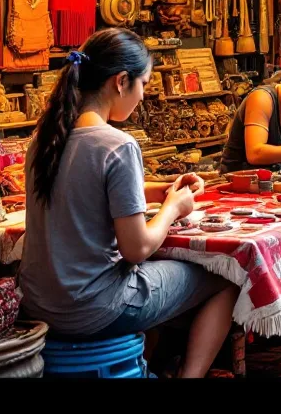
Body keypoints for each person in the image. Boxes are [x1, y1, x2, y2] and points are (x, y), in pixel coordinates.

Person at [19, 29, 238, 378]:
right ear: (120, 82)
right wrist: (173, 208)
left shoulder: (45, 140)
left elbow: (85, 190)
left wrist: (162, 188)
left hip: (38, 302)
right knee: (227, 276)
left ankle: (154, 363)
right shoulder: (117, 144)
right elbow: (137, 249)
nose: (142, 97)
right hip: (92, 308)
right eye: (144, 85)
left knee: (162, 279)